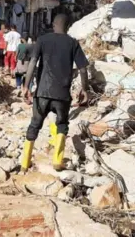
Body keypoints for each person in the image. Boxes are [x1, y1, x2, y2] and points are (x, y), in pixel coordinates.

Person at [20, 14, 89, 172]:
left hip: (42, 93)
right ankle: (57, 161)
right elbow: (83, 69)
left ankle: (24, 163)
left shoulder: (43, 40)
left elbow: (32, 62)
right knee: (62, 125)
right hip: (62, 95)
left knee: (34, 125)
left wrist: (26, 86)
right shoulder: (73, 43)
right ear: (68, 26)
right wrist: (84, 89)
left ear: (53, 25)